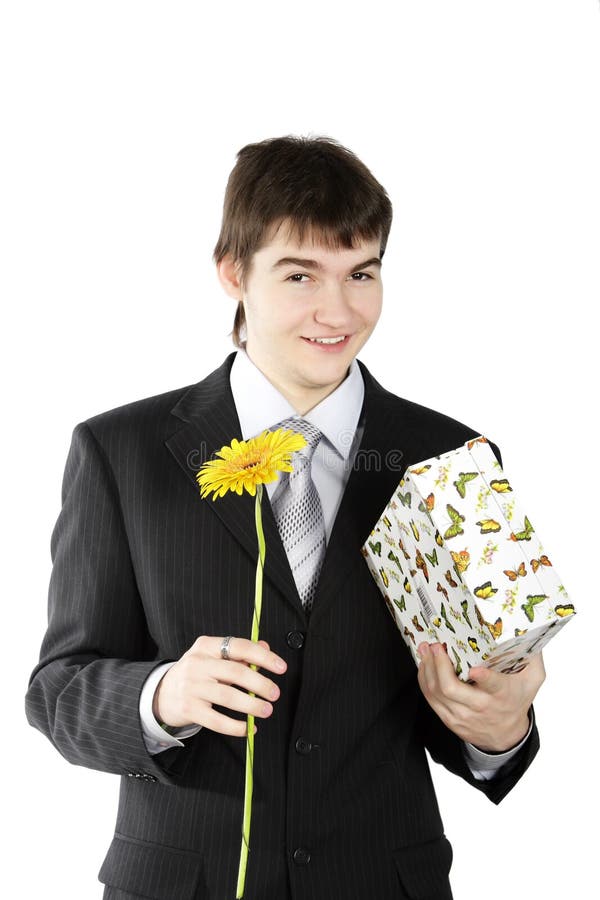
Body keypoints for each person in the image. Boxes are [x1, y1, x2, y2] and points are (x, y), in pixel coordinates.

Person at [25, 134, 544, 900]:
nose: (338, 310)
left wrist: (499, 730)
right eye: (301, 274)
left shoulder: (453, 459)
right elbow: (59, 691)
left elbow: (470, 713)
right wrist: (162, 695)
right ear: (234, 273)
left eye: (361, 274)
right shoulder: (119, 452)